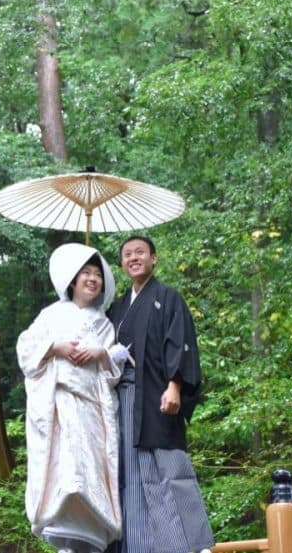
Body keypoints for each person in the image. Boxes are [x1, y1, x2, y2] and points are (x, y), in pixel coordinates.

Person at [105, 235, 214, 553]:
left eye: (140, 252)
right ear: (122, 263)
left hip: (158, 396)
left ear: (154, 258)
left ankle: (191, 544)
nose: (133, 258)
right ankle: (138, 546)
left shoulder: (168, 298)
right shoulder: (117, 308)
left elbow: (181, 342)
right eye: (127, 254)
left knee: (168, 468)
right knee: (130, 474)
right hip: (124, 402)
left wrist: (175, 385)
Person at [17, 242, 124, 553]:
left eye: (97, 274)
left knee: (90, 471)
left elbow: (114, 374)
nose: (92, 279)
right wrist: (55, 347)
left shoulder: (104, 324)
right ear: (73, 280)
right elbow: (26, 349)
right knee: (65, 469)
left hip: (91, 408)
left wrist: (101, 353)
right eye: (86, 273)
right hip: (60, 404)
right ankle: (64, 538)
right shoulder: (51, 314)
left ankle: (88, 536)